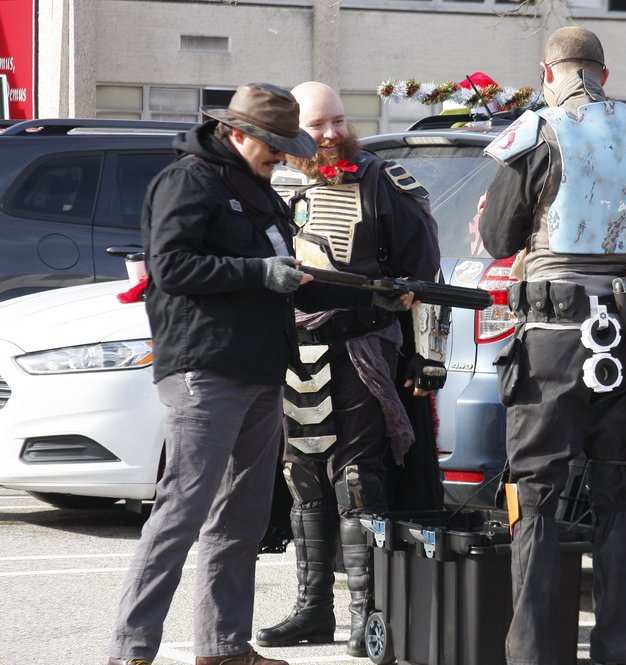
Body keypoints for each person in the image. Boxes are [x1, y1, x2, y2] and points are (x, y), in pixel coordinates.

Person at [106, 82, 401, 665]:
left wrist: (300, 277)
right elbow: (171, 266)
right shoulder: (187, 180)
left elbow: (267, 264)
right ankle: (131, 651)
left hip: (262, 369)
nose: (282, 154)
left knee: (240, 520)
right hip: (206, 368)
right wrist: (260, 273)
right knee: (181, 512)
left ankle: (223, 648)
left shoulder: (258, 187)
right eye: (272, 143)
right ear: (238, 134)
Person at [478, 27, 626, 665]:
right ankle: (619, 650)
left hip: (556, 337)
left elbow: (501, 237)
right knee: (617, 490)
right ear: (604, 74)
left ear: (547, 72)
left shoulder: (538, 131)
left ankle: (532, 654)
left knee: (535, 494)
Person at [255, 81, 447, 657]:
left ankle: (370, 615)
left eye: (339, 121)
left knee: (359, 480)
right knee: (303, 478)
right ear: (292, 130)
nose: (333, 134)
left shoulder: (383, 181)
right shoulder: (269, 183)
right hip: (293, 353)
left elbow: (426, 273)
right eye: (319, 126)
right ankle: (313, 609)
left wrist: (428, 356)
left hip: (363, 347)